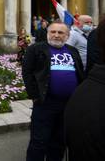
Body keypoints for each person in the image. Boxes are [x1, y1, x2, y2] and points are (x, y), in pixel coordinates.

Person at [22, 20, 85, 161]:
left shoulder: (72, 51)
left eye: (60, 32)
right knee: (39, 142)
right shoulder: (35, 49)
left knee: (59, 142)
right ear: (47, 33)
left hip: (68, 105)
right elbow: (27, 73)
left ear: (67, 36)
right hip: (45, 103)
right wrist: (35, 96)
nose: (56, 35)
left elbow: (80, 72)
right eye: (53, 32)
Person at [64, 17, 105, 161]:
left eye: (90, 22)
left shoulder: (88, 35)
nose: (89, 24)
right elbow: (67, 51)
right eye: (86, 22)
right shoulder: (75, 35)